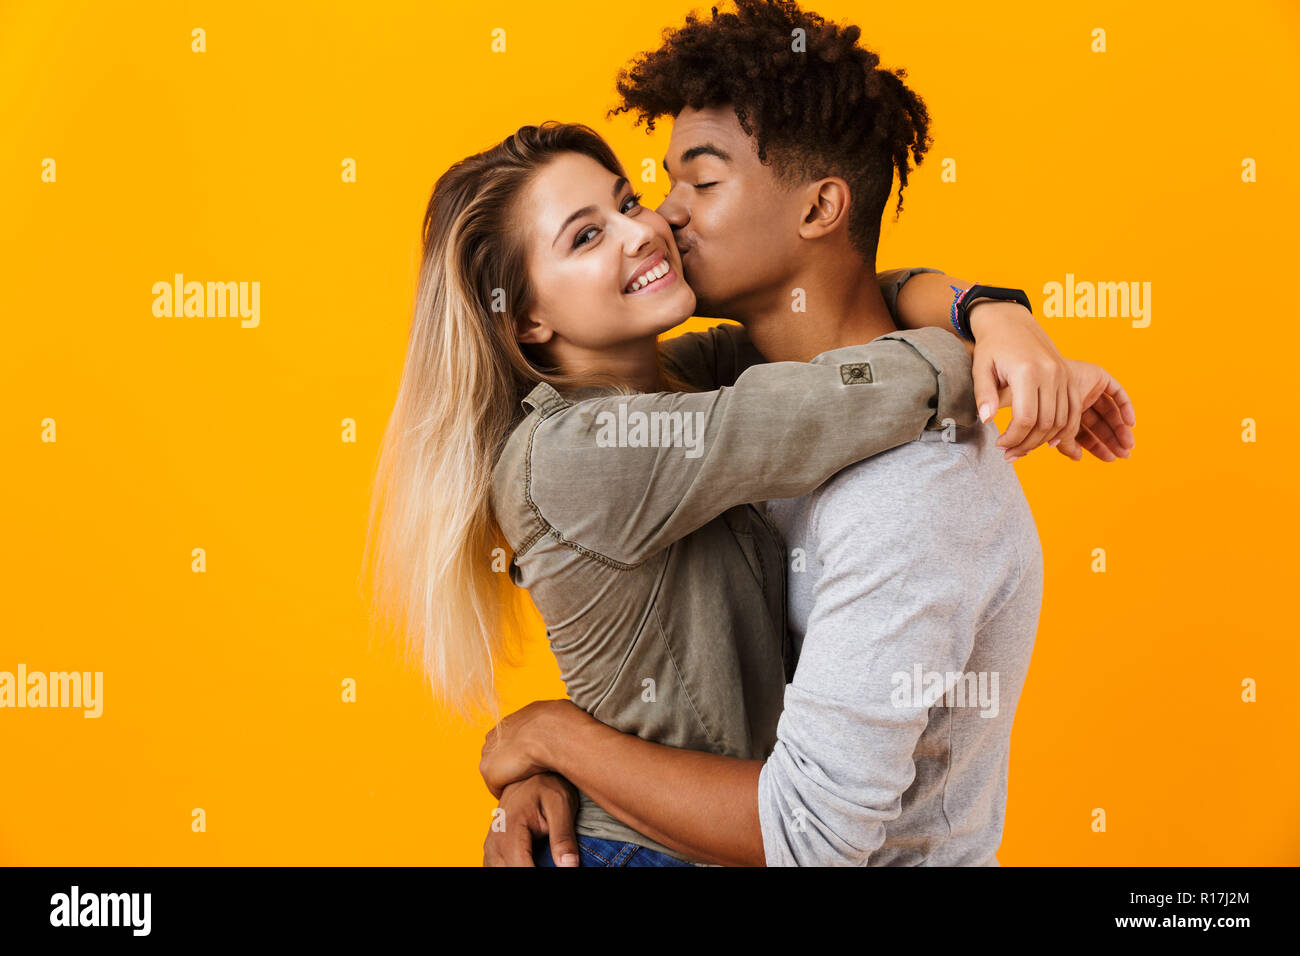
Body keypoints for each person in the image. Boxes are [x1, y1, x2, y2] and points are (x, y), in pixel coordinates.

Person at [475, 0, 1135, 866]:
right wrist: (991, 316)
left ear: (821, 207)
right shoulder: (734, 392)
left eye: (698, 185)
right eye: (658, 187)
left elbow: (804, 838)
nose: (661, 221)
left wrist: (554, 739)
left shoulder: (910, 493)